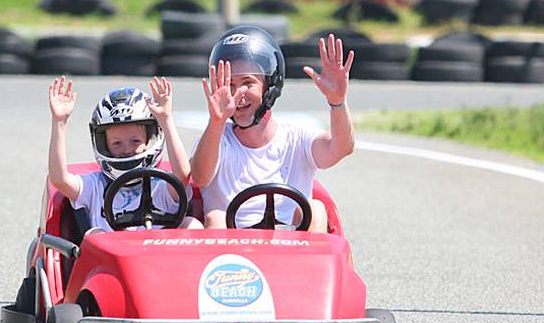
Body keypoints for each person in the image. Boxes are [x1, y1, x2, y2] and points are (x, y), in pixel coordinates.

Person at [190, 26, 356, 232]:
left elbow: (341, 148)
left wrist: (337, 102)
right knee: (216, 219)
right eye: (230, 85)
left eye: (248, 83)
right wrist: (216, 122)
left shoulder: (297, 138)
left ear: (269, 86)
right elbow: (200, 178)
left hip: (290, 253)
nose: (238, 94)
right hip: (231, 258)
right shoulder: (217, 141)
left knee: (316, 209)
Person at [47, 75, 201, 231]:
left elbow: (182, 175)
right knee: (95, 235)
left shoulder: (162, 186)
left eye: (135, 141)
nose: (126, 150)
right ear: (103, 144)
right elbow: (59, 180)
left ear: (152, 139)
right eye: (117, 143)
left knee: (192, 225)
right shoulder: (95, 186)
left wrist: (166, 120)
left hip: (159, 254)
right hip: (107, 254)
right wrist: (59, 123)